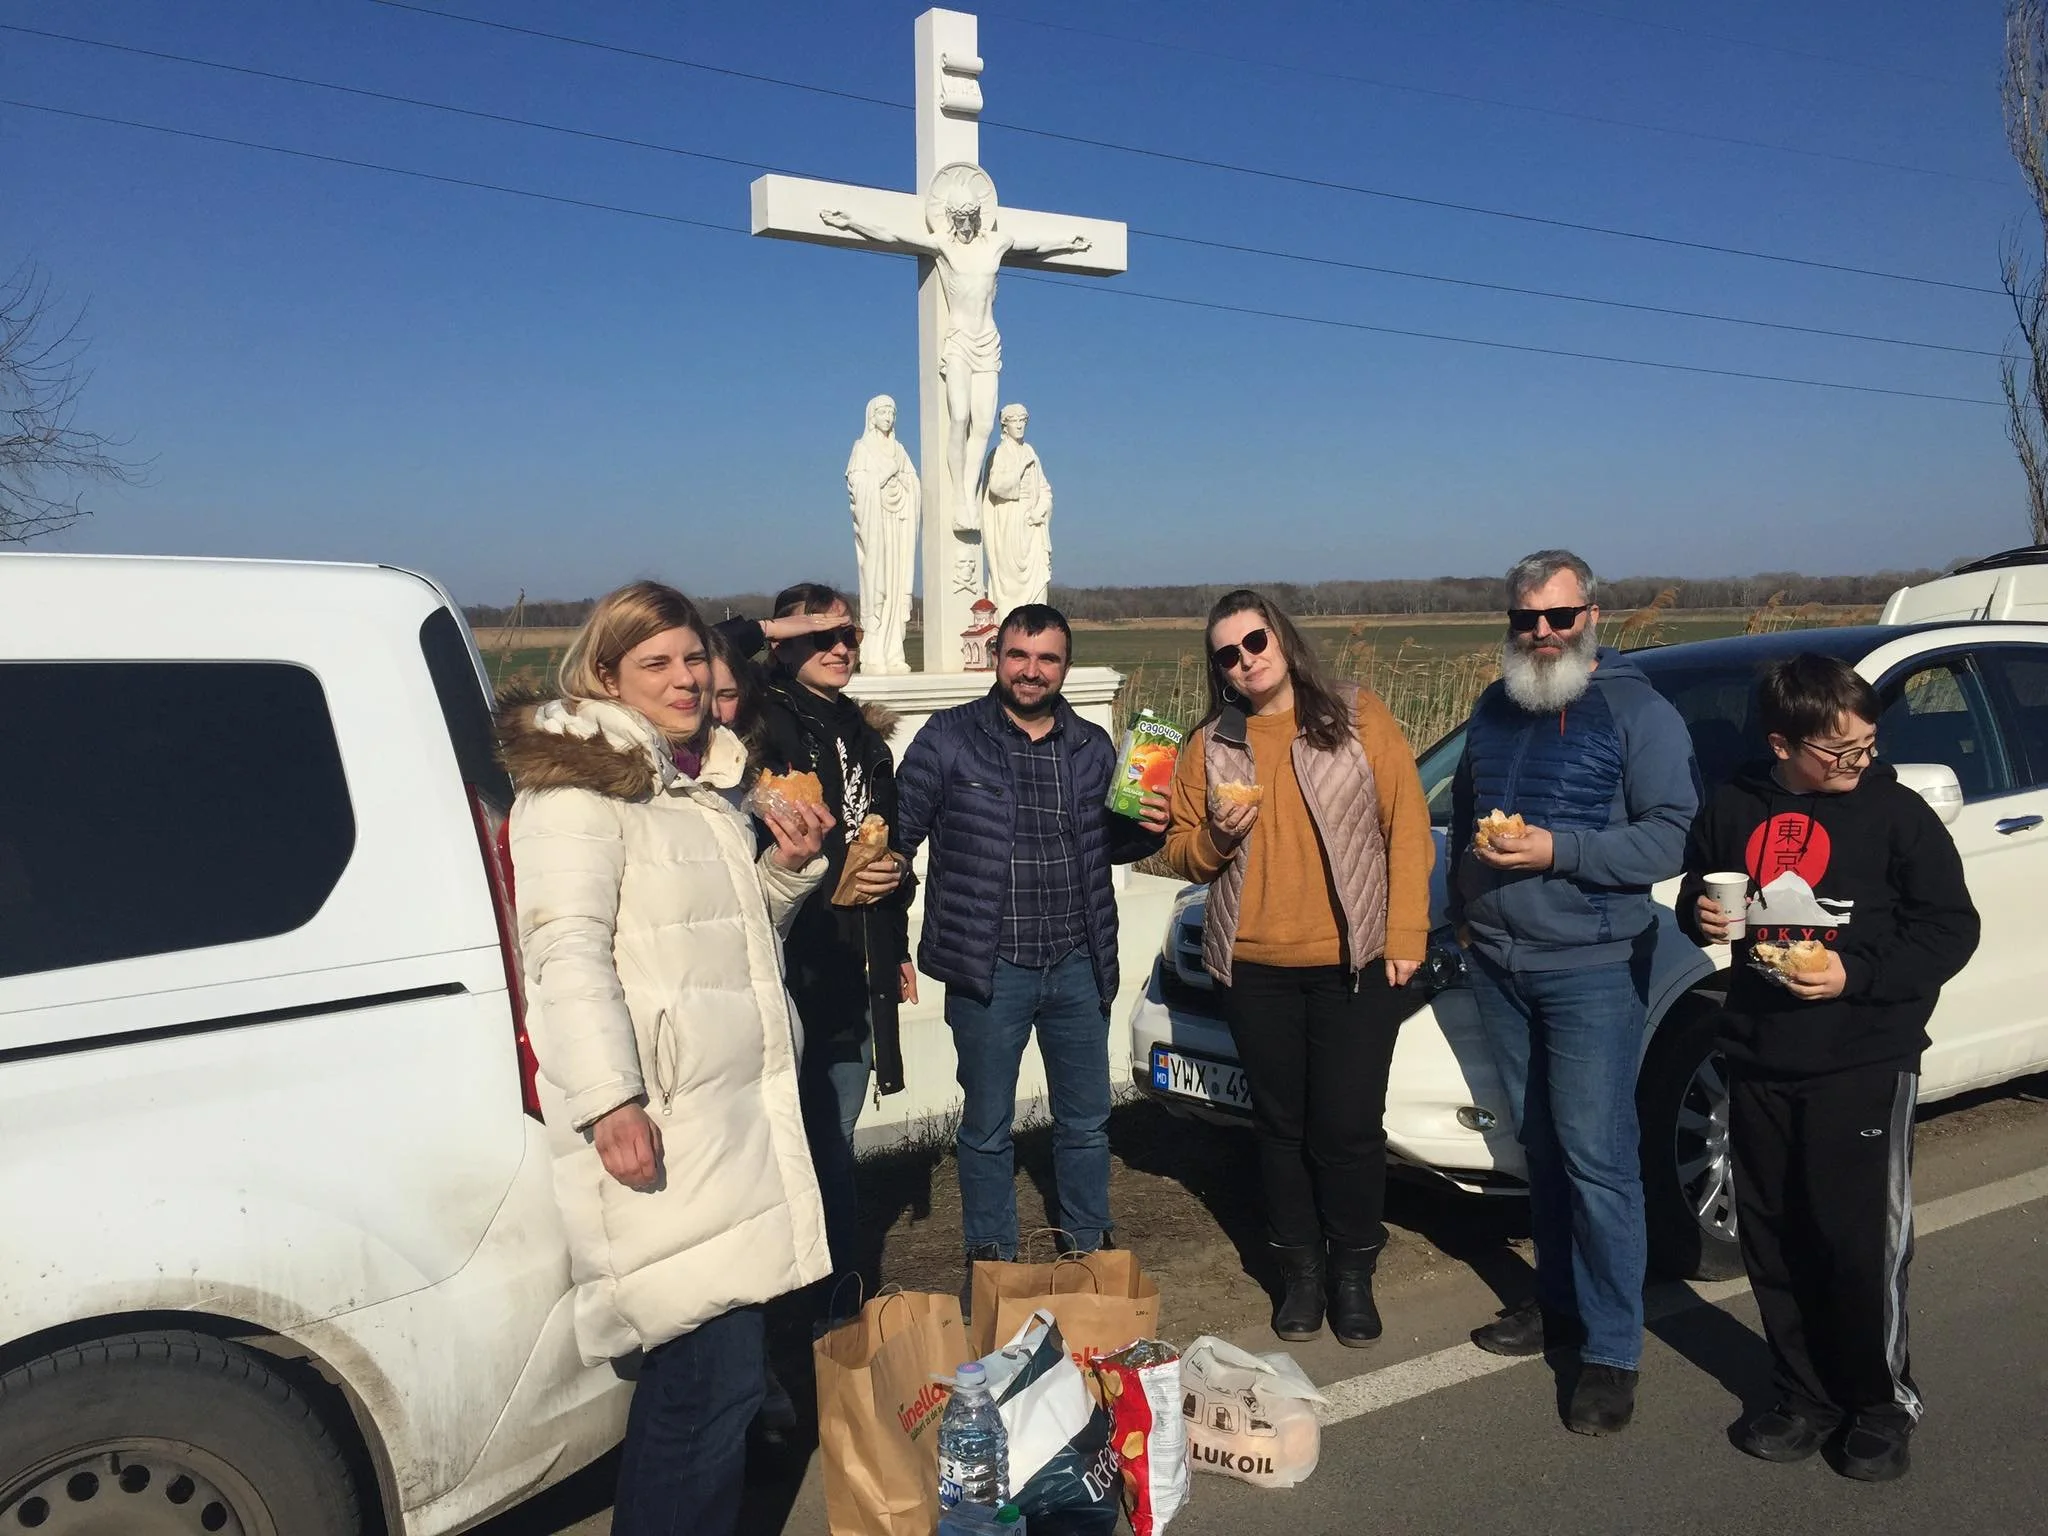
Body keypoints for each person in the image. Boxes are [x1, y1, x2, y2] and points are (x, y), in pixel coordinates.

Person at [497, 580, 835, 1533]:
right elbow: (562, 952)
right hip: (668, 1119)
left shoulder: (690, 789)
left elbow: (733, 946)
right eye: (657, 663)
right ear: (606, 676)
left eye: (693, 658)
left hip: (728, 1117)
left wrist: (785, 872)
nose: (685, 678)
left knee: (714, 1387)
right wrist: (609, 1100)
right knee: (702, 1389)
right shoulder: (575, 794)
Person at [1678, 654, 1978, 1481]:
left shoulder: (1895, 813)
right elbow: (1698, 892)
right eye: (1840, 751)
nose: (1860, 762)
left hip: (1865, 1055)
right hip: (1758, 1051)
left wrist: (1855, 975)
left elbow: (1950, 929)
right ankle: (1803, 1395)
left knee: (1858, 1244)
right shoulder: (1736, 802)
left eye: (1868, 745)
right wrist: (1700, 912)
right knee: (1775, 1238)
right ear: (1783, 744)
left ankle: (1881, 1404)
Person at [1447, 549, 1699, 1436]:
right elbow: (1465, 815)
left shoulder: (1638, 711)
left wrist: (1560, 851)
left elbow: (1671, 837)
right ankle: (1557, 1303)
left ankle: (1612, 1350)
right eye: (1527, 620)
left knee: (1598, 1160)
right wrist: (1464, 908)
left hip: (1593, 966)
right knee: (1542, 1148)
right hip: (1500, 962)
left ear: (1592, 616)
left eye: (1559, 617)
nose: (1543, 634)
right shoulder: (1493, 706)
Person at [1161, 590, 1435, 1346]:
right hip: (1254, 968)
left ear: (1280, 637)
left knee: (1348, 1129)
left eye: (1255, 641)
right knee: (1280, 1129)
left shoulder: (1355, 713)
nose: (1245, 660)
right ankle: (1301, 1275)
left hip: (1354, 961)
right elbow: (1179, 848)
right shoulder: (1209, 744)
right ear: (1218, 668)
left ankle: (1354, 1274)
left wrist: (1406, 931)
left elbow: (1407, 824)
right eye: (1227, 654)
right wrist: (1217, 837)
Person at [893, 604, 1168, 1300]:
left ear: (1064, 668)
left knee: (1086, 1120)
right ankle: (994, 1258)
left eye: (1047, 659)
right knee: (987, 1124)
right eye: (1019, 655)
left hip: (1077, 960)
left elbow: (1113, 843)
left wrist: (1150, 827)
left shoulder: (1092, 746)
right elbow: (896, 840)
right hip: (990, 967)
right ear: (998, 657)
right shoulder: (949, 737)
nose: (1031, 670)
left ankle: (1088, 1245)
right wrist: (885, 934)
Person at [738, 583, 916, 1296]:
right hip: (790, 955)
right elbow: (711, 655)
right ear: (782, 645)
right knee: (796, 1141)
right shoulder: (758, 717)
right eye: (821, 636)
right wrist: (769, 629)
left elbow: (889, 841)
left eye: (850, 635)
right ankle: (814, 1290)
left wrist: (896, 932)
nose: (840, 647)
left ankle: (837, 1289)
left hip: (854, 957)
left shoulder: (866, 737)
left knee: (834, 1131)